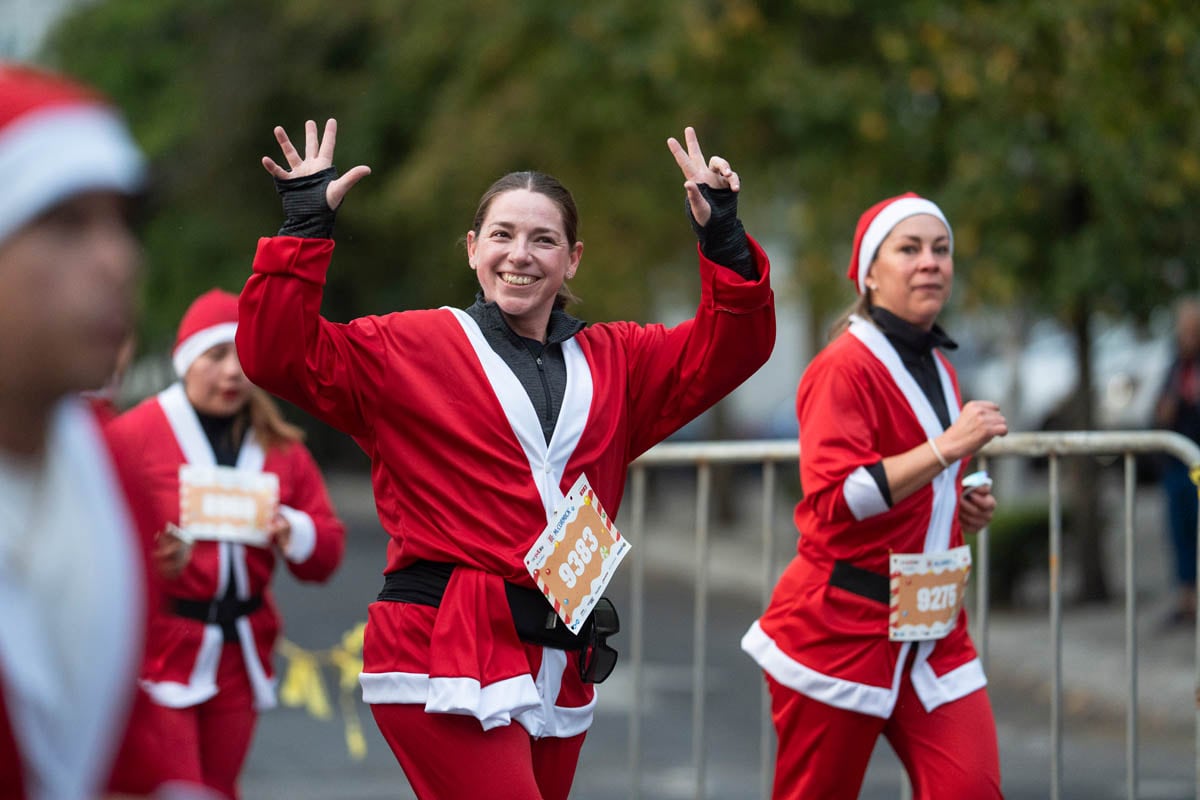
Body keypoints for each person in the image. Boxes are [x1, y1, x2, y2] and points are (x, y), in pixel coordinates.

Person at [235, 119, 774, 799]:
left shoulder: (618, 359)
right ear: (471, 249)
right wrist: (304, 227)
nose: (520, 254)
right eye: (502, 235)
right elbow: (276, 354)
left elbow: (735, 346)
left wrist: (722, 236)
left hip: (560, 657)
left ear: (572, 259)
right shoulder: (408, 347)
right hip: (444, 650)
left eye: (543, 239)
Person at [742, 193, 1008, 799]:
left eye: (940, 250)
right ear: (870, 272)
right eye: (909, 250)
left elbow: (920, 475)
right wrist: (949, 447)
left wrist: (962, 503)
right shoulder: (843, 366)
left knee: (972, 789)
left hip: (933, 626)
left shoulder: (938, 364)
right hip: (841, 629)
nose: (930, 263)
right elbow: (841, 497)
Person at [106, 288, 347, 799]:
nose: (233, 372)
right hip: (162, 648)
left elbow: (326, 555)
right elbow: (93, 537)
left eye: (242, 354)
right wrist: (144, 559)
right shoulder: (135, 434)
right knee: (178, 787)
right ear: (186, 361)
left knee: (219, 787)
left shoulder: (281, 446)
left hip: (241, 648)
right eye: (216, 355)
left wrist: (295, 531)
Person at [1153, 296, 1200, 627]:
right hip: (1177, 466)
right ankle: (1186, 597)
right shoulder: (1174, 366)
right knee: (1180, 533)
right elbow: (1160, 412)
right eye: (1184, 330)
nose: (1187, 337)